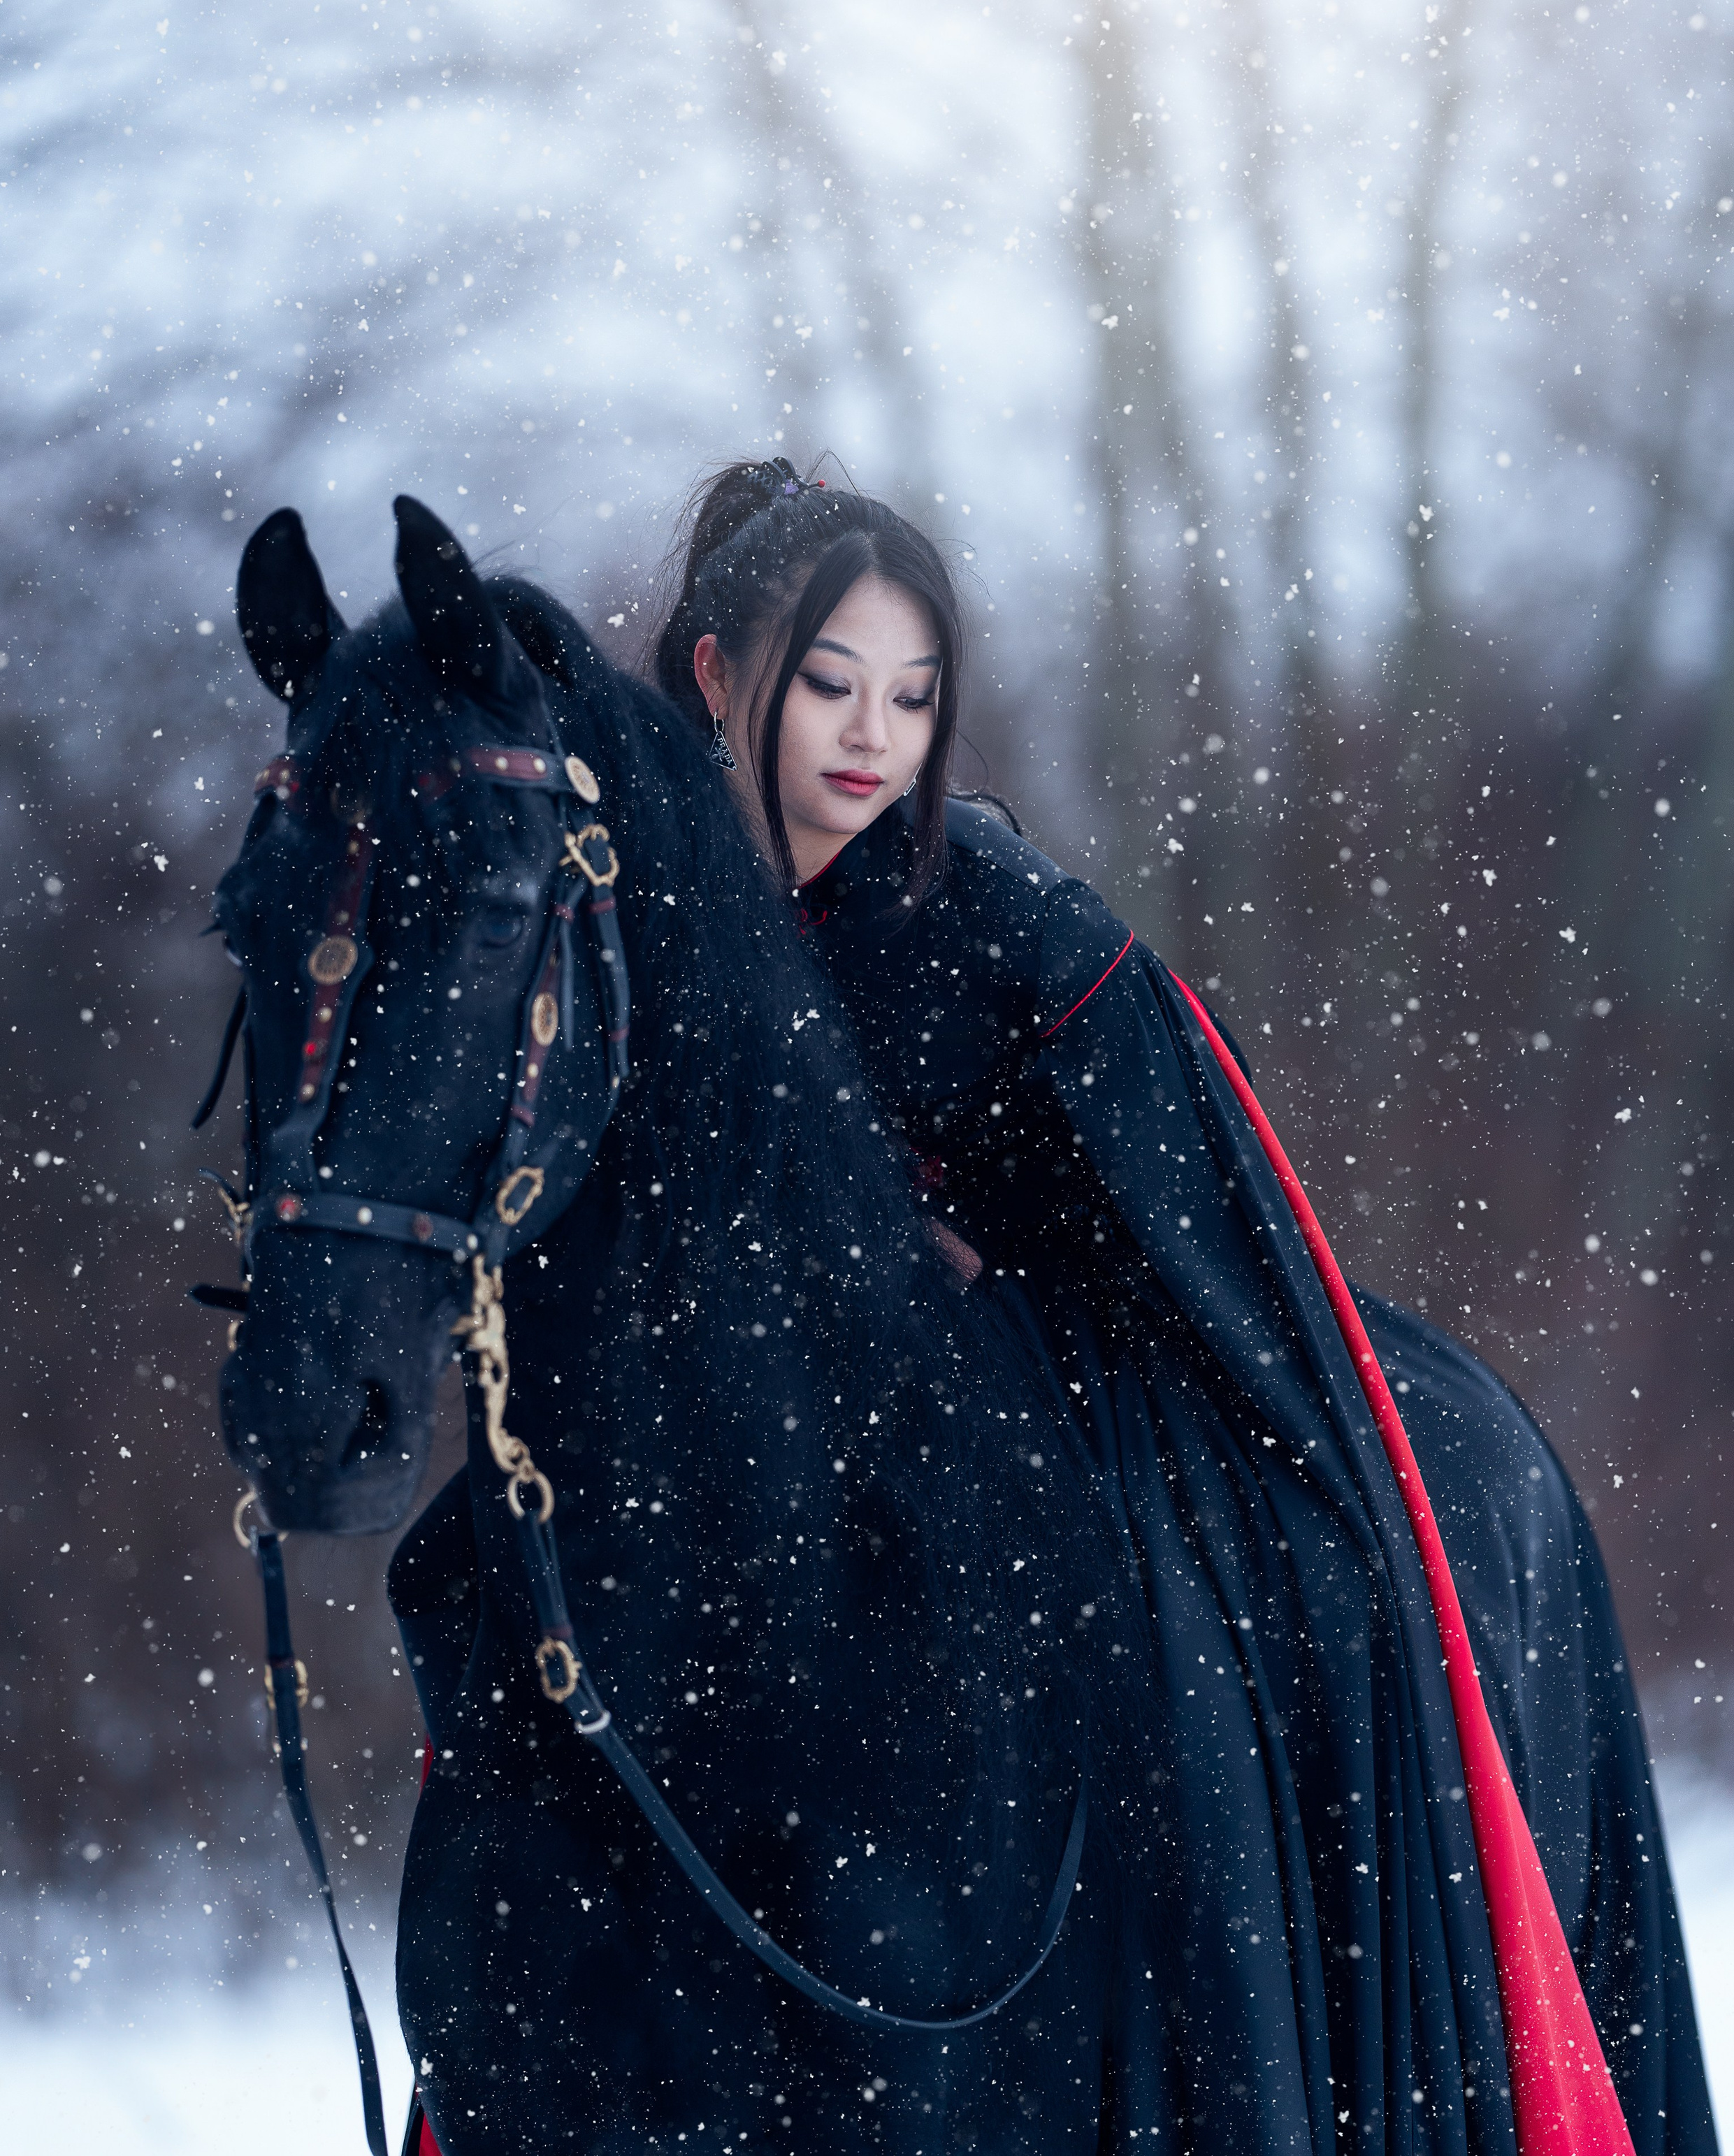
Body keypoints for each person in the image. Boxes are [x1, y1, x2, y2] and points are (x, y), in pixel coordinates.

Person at [649, 456, 1718, 2153]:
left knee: (1224, 1679)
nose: (871, 736)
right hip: (812, 1425)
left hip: (1102, 1379)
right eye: (828, 683)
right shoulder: (672, 931)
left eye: (912, 695)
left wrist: (957, 1271)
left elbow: (1196, 1190)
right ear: (717, 675)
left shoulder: (982, 909)